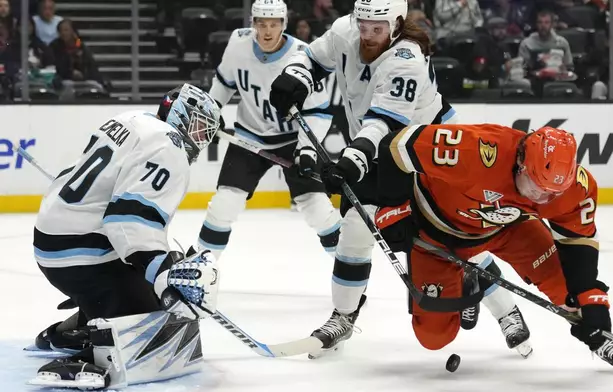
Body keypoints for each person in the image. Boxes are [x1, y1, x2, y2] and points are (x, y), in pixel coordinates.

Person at [268, 0, 528, 358]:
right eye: (363, 26)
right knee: (356, 229)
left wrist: (352, 159)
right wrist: (294, 76)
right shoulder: (347, 30)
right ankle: (343, 316)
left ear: (398, 24)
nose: (367, 35)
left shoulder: (407, 58)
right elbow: (313, 58)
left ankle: (507, 311)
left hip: (431, 151)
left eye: (377, 29)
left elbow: (385, 122)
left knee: (451, 236)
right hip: (380, 147)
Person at [375, 123, 613, 370]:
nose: (542, 199)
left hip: (506, 228)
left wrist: (591, 299)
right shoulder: (472, 150)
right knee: (434, 337)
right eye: (536, 187)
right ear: (521, 162)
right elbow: (395, 146)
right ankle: (470, 276)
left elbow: (578, 242)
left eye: (551, 193)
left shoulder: (575, 187)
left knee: (571, 292)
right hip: (435, 237)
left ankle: (600, 338)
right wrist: (393, 208)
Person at [28, 83, 224, 389]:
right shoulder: (169, 147)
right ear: (180, 113)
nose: (200, 139)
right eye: (199, 127)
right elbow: (129, 221)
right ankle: (93, 354)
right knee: (160, 321)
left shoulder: (134, 119)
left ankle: (75, 327)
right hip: (82, 254)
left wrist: (160, 264)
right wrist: (164, 274)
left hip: (53, 240)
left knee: (144, 281)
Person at [197, 0, 341, 261]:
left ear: (284, 25)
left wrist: (307, 150)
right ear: (252, 23)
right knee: (224, 204)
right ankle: (199, 266)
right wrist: (212, 109)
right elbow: (224, 83)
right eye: (261, 24)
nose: (267, 31)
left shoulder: (303, 56)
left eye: (274, 24)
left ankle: (348, 267)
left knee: (317, 208)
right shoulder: (237, 44)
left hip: (293, 140)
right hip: (249, 137)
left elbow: (319, 112)